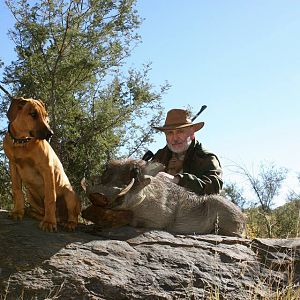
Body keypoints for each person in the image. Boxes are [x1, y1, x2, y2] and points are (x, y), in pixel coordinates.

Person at [150, 108, 223, 195]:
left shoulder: (205, 157)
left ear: (192, 134)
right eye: (170, 133)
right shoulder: (160, 156)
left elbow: (214, 188)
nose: (175, 138)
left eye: (180, 131)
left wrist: (177, 180)